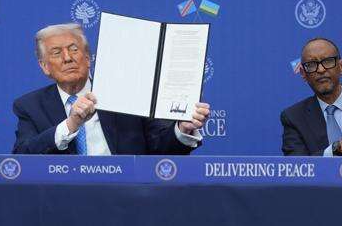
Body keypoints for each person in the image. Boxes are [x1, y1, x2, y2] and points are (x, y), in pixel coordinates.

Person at [12, 23, 210, 155]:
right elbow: (22, 157)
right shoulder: (30, 106)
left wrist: (182, 128)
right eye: (56, 53)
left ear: (88, 58)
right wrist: (71, 124)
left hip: (125, 193)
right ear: (44, 66)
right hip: (63, 197)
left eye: (74, 49)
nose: (67, 58)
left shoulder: (128, 92)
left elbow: (162, 149)